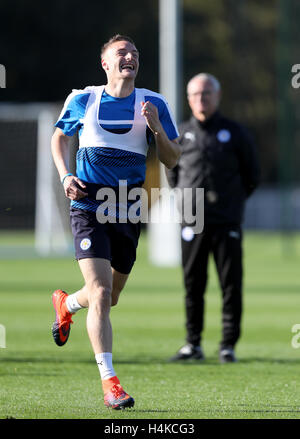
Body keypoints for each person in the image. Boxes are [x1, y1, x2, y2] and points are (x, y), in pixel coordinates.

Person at [51, 34, 180, 409]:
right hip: (89, 205)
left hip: (128, 208)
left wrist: (155, 127)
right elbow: (59, 138)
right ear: (105, 63)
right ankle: (110, 383)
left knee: (109, 297)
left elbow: (172, 159)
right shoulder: (84, 99)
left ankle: (66, 304)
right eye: (121, 53)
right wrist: (64, 176)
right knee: (102, 292)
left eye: (135, 53)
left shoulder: (153, 103)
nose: (130, 57)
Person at [167, 73, 260, 363]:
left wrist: (231, 203)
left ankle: (227, 345)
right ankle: (192, 344)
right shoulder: (180, 134)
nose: (201, 99)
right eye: (195, 94)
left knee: (230, 284)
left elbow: (252, 175)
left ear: (217, 96)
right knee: (193, 284)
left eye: (206, 93)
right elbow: (172, 176)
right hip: (192, 221)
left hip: (226, 221)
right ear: (188, 99)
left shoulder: (234, 132)